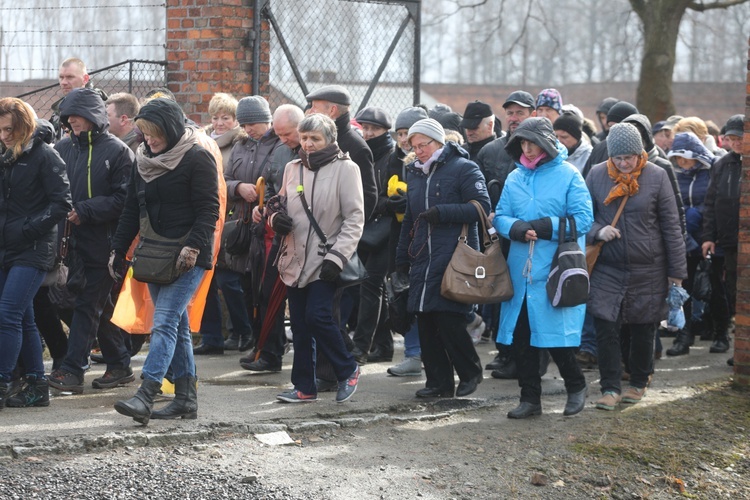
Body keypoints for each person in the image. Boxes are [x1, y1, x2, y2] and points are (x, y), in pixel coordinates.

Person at [109, 98, 220, 424]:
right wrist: (118, 250)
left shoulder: (197, 157)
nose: (149, 140)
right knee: (178, 327)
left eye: (154, 133)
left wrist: (193, 249)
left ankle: (146, 394)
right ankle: (186, 400)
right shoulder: (142, 160)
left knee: (165, 321)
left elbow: (208, 210)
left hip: (189, 257)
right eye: (144, 133)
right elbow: (132, 209)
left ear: (170, 130)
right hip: (155, 255)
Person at [493, 117, 592, 418]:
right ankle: (529, 399)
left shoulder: (569, 175)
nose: (528, 148)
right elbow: (499, 216)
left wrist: (544, 226)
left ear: (547, 143)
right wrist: (517, 228)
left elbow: (583, 219)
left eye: (532, 142)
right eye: (523, 142)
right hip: (521, 271)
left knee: (556, 339)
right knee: (522, 339)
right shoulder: (514, 177)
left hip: (554, 269)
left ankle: (576, 386)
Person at [586, 123, 686, 411]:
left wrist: (676, 275)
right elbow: (581, 216)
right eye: (618, 158)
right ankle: (609, 387)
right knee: (605, 327)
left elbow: (671, 226)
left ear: (640, 153)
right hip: (608, 266)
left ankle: (639, 382)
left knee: (643, 327)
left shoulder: (657, 175)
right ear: (610, 157)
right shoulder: (596, 175)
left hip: (649, 268)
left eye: (629, 157)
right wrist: (598, 231)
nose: (624, 163)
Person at [268, 113, 362, 404]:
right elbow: (279, 202)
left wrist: (338, 256)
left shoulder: (347, 169)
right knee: (299, 323)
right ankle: (304, 387)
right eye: (304, 137)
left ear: (329, 140)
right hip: (294, 257)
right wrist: (275, 219)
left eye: (315, 138)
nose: (308, 144)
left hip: (326, 259)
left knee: (318, 316)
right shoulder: (292, 168)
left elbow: (354, 218)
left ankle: (348, 369)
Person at [49, 88, 134, 394]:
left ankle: (71, 371)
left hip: (105, 244)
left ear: (94, 117)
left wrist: (85, 210)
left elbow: (126, 200)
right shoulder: (62, 148)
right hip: (67, 243)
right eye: (68, 115)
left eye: (78, 115)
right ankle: (120, 363)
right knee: (90, 305)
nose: (72, 120)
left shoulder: (119, 152)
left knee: (87, 304)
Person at [395, 118, 488, 399]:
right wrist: (401, 257)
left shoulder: (464, 168)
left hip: (454, 255)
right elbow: (410, 219)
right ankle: (439, 382)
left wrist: (443, 212)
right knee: (426, 321)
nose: (419, 150)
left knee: (449, 319)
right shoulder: (414, 172)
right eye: (415, 145)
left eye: (424, 144)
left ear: (439, 142)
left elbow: (481, 208)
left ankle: (470, 372)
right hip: (423, 255)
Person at [0, 98, 72, 409]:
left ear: (23, 125)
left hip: (34, 248)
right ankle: (36, 385)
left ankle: (3, 380)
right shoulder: (6, 157)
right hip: (9, 246)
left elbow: (62, 204)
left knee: (8, 314)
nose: (4, 134)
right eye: (0, 129)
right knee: (24, 317)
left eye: (9, 129)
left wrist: (30, 228)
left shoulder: (45, 156)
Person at [475, 90, 537, 379]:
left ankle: (527, 357)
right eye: (510, 113)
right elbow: (482, 191)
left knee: (528, 298)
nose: (514, 118)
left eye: (520, 113)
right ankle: (506, 351)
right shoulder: (490, 151)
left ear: (532, 115)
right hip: (499, 236)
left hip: (534, 236)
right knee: (501, 293)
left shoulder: (544, 150)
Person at [240, 104, 304, 373]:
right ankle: (268, 351)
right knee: (266, 294)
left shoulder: (311, 154)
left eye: (287, 134)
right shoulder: (280, 152)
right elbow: (272, 189)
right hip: (276, 233)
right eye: (278, 134)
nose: (283, 139)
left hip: (302, 237)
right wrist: (262, 208)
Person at [219, 95, 283, 355]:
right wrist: (238, 187)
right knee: (245, 288)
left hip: (266, 226)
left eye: (253, 123)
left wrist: (263, 201)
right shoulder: (239, 146)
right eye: (244, 125)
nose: (248, 129)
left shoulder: (279, 145)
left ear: (266, 120)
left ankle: (268, 346)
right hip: (243, 227)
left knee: (264, 290)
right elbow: (224, 179)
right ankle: (256, 342)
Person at [193, 92, 247, 355]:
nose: (219, 122)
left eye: (225, 117)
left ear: (235, 119)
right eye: (215, 117)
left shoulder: (239, 143)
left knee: (230, 281)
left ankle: (242, 332)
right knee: (207, 280)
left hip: (232, 219)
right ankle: (212, 337)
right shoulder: (203, 141)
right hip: (208, 218)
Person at [666, 132, 729, 356]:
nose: (682, 164)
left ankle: (721, 333)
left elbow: (714, 202)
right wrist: (686, 219)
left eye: (685, 158)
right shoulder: (676, 174)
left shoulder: (712, 171)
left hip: (711, 237)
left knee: (717, 288)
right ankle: (685, 336)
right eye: (678, 159)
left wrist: (697, 214)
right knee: (687, 288)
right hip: (687, 239)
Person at [350, 106, 396, 365]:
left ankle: (361, 347)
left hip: (384, 231)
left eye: (374, 129)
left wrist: (376, 204)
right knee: (368, 288)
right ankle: (384, 345)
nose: (367, 133)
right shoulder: (360, 154)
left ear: (384, 131)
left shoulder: (391, 157)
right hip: (364, 228)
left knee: (370, 286)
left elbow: (395, 196)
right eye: (364, 128)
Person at [385, 106, 429, 378]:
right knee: (404, 296)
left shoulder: (428, 162)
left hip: (426, 239)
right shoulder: (393, 161)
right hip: (398, 239)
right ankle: (413, 354)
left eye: (408, 133)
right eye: (400, 133)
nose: (403, 139)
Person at [701, 114, 744, 356]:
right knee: (732, 293)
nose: (735, 143)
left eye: (739, 138)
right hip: (726, 241)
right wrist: (709, 236)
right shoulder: (721, 164)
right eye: (731, 138)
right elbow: (711, 203)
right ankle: (736, 346)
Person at [461, 101, 496, 167]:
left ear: (489, 126)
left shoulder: (501, 153)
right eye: (467, 128)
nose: (469, 133)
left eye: (474, 128)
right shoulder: (460, 152)